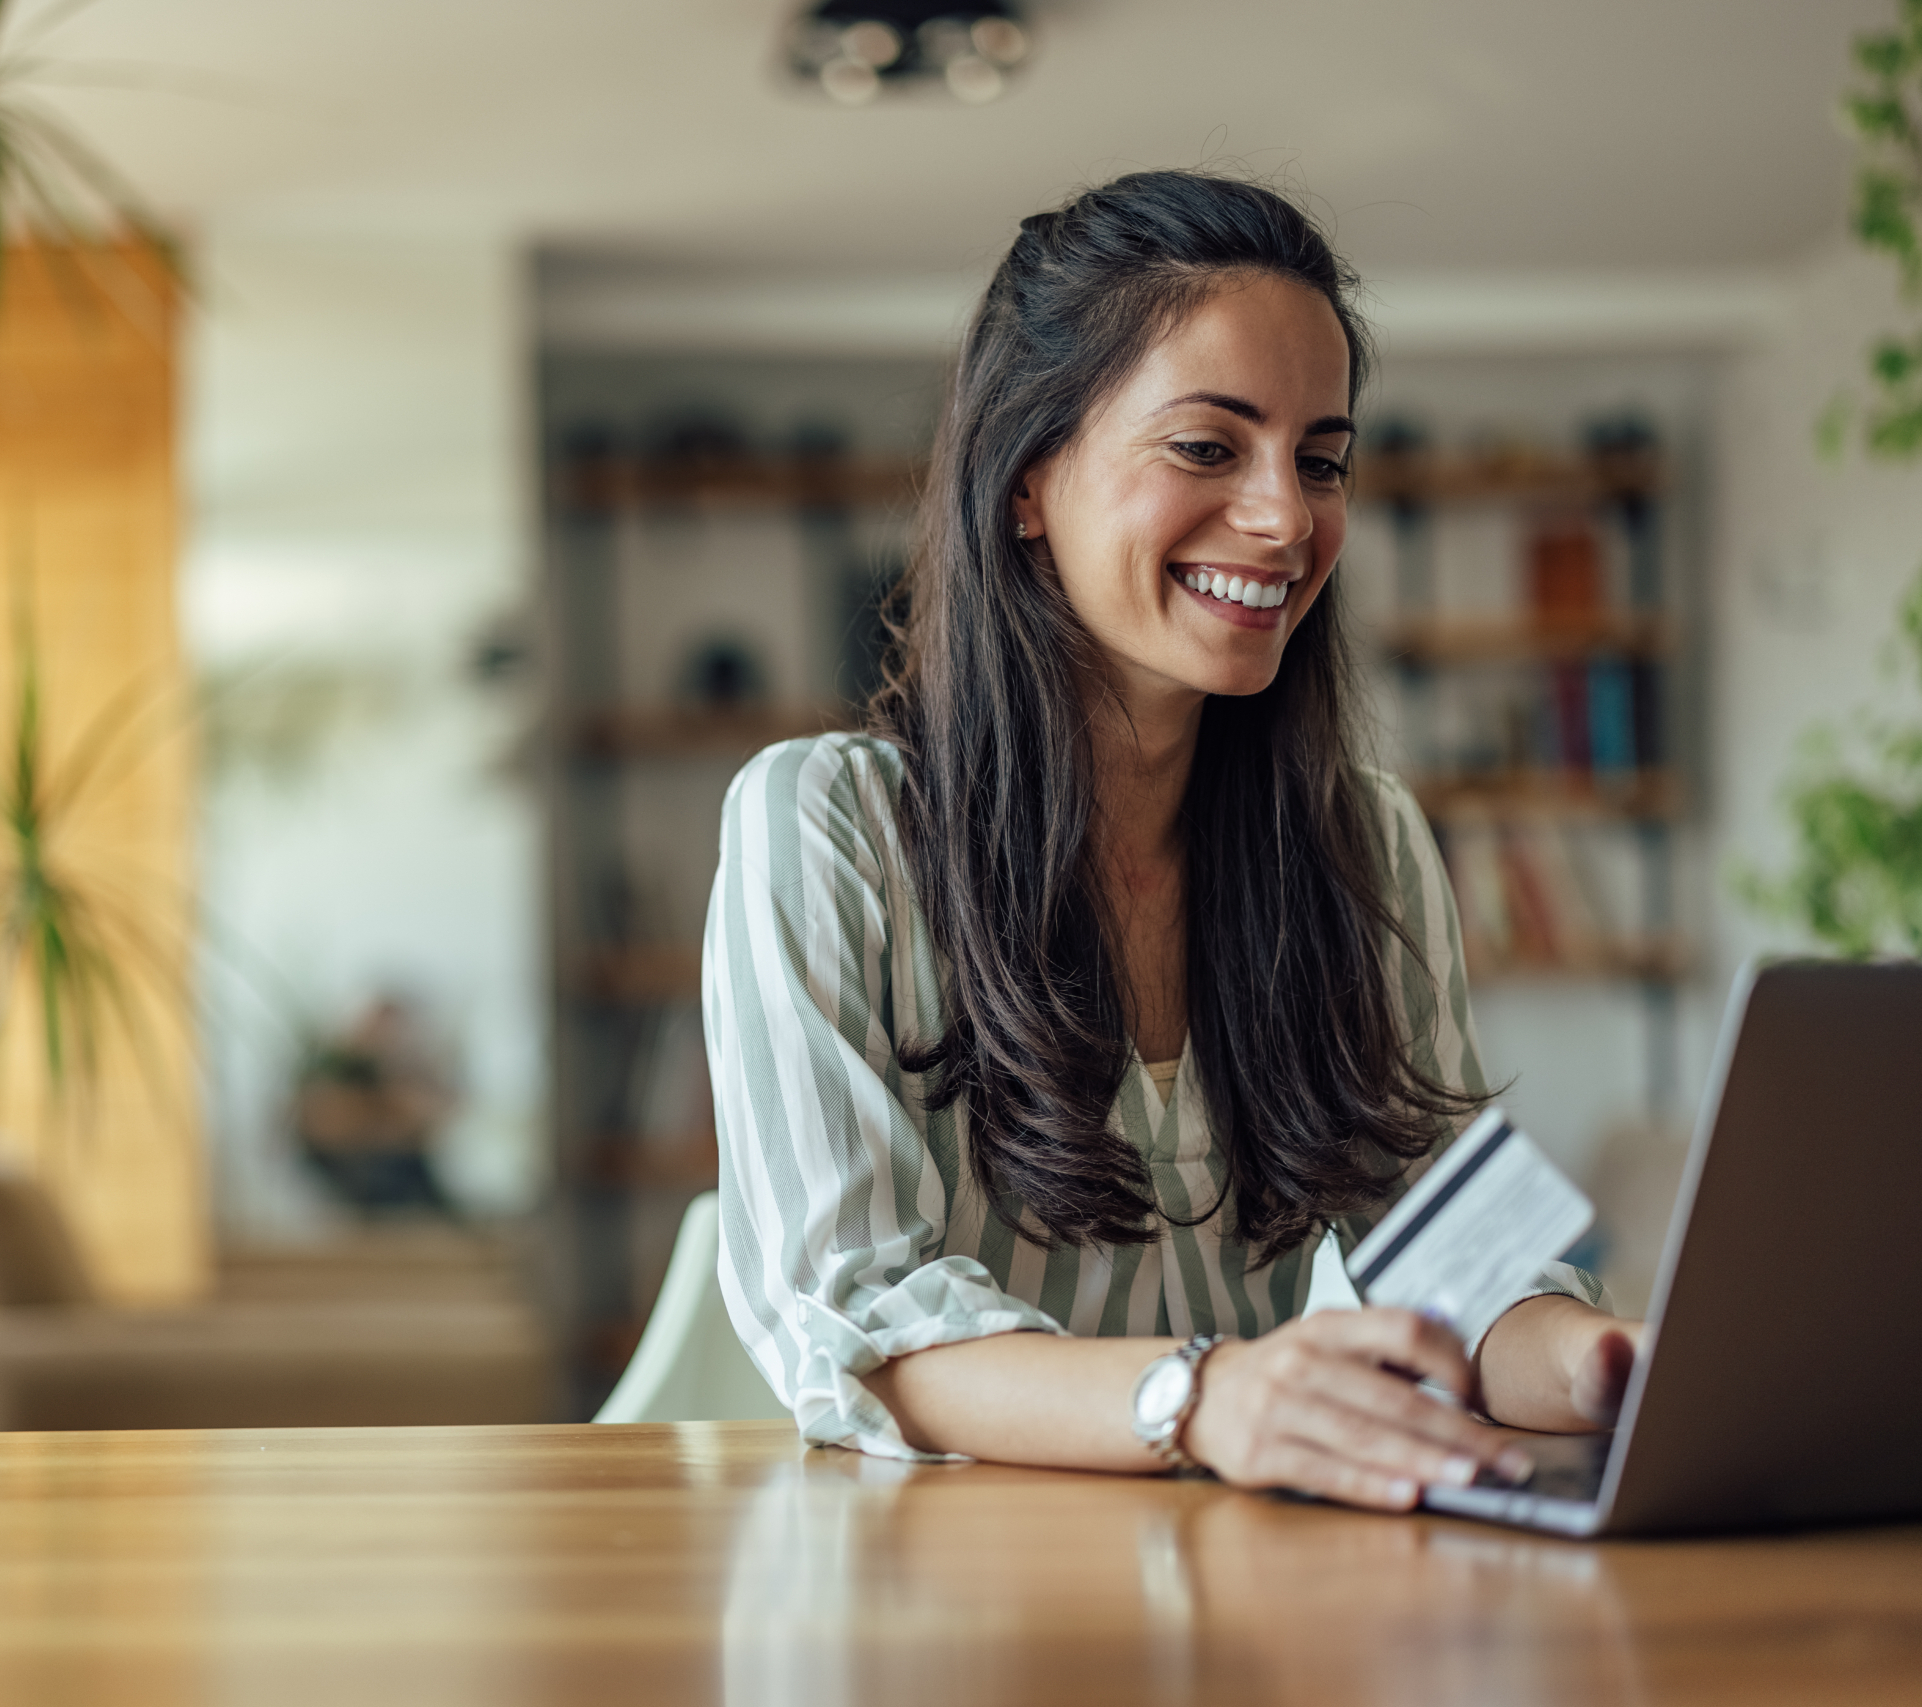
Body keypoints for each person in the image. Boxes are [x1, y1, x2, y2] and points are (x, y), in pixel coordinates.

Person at [702, 170, 1640, 1512]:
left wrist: (1630, 1366)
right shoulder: (825, 825)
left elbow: (1463, 1262)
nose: (1287, 518)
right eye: (1210, 447)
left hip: (1242, 1596)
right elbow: (855, 1314)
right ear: (1027, 479)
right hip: (935, 1604)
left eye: (1321, 459)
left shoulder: (1362, 841)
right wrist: (1204, 1395)